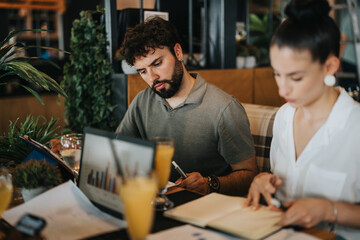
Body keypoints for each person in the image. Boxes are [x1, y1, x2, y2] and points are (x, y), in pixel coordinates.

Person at [244, 0, 360, 238]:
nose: (282, 90)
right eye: (277, 74)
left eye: (295, 78)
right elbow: (282, 185)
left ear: (329, 67)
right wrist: (262, 181)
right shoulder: (285, 116)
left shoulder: (355, 128)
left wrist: (329, 210)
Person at [116, 17, 257, 196]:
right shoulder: (142, 101)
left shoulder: (224, 108)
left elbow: (250, 176)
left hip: (205, 210)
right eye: (143, 71)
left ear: (178, 52)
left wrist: (210, 184)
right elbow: (118, 152)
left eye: (157, 64)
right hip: (156, 203)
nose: (152, 78)